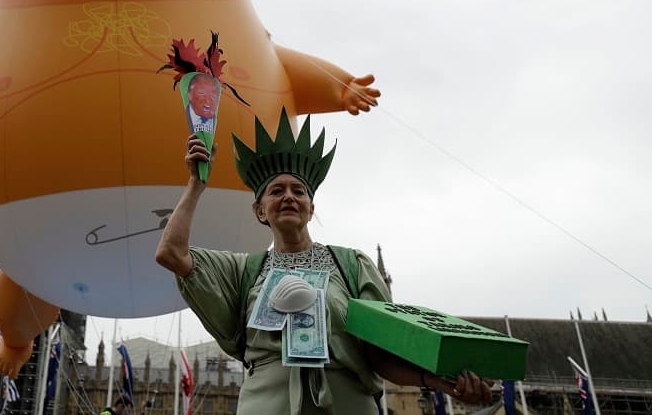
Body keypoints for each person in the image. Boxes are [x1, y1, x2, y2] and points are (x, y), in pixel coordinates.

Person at [155, 111, 494, 414]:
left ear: (311, 208)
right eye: (276, 191)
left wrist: (440, 381)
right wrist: (196, 184)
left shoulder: (352, 265)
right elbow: (171, 252)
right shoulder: (244, 270)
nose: (288, 196)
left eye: (298, 191)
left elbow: (381, 356)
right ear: (260, 210)